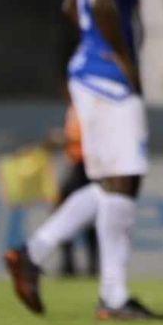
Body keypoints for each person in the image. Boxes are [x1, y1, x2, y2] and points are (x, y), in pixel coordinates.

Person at [4, 0, 163, 322]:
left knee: (115, 182)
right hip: (107, 76)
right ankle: (111, 297)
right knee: (124, 178)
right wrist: (119, 59)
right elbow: (98, 1)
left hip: (89, 72)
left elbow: (69, 3)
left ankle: (34, 254)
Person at [56, 100, 99, 277]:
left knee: (85, 215)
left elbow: (96, 133)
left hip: (88, 166)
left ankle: (90, 265)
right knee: (66, 213)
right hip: (75, 164)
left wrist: (67, 139)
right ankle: (69, 264)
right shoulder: (74, 106)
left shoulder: (91, 105)